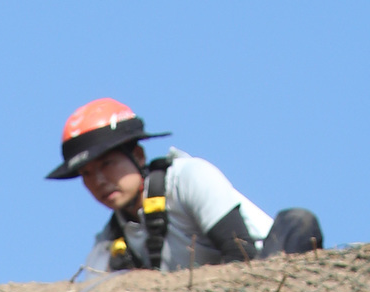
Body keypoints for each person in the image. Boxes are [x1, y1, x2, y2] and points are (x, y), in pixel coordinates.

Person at [47, 98, 324, 274]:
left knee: (297, 220)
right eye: (87, 173)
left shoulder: (189, 178)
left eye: (107, 164)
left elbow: (241, 253)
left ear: (139, 156)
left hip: (262, 275)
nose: (99, 181)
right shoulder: (109, 242)